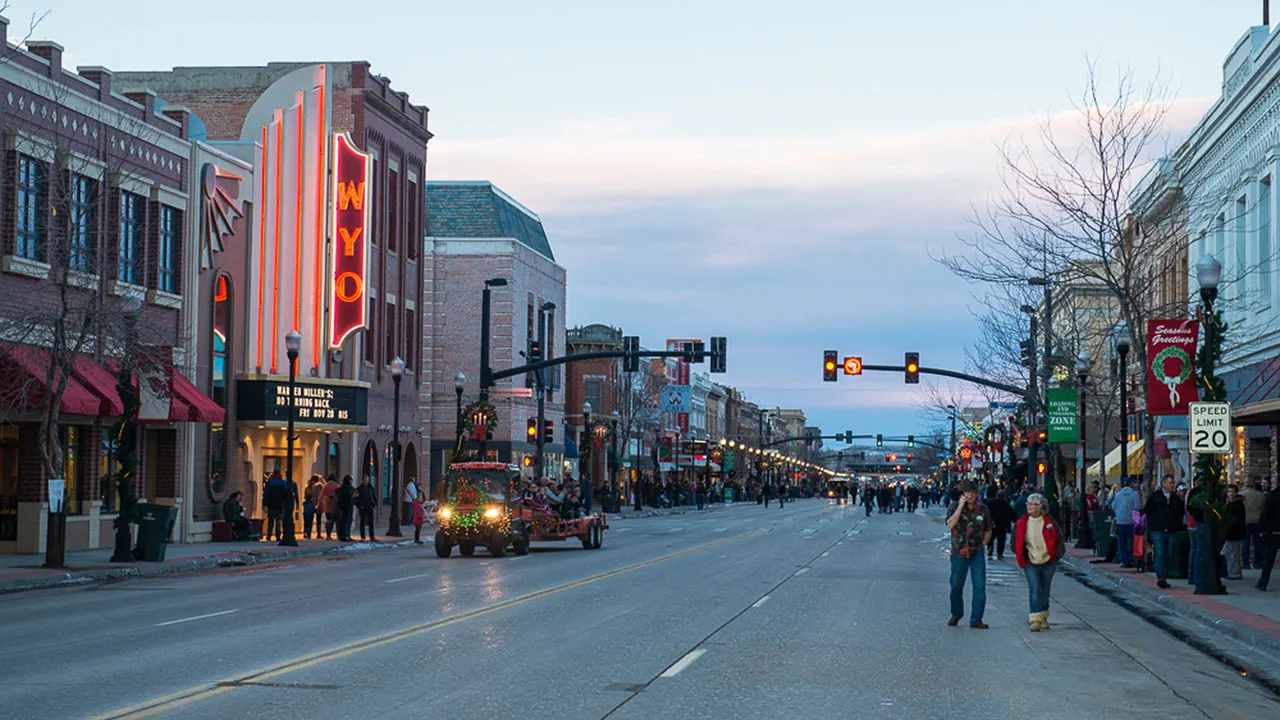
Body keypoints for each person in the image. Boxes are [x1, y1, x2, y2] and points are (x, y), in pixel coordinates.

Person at [1014, 493, 1065, 631]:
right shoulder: (1022, 523)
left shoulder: (1049, 523)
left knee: (1045, 589)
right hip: (1031, 561)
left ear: (1041, 507)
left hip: (1048, 561)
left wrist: (1056, 555)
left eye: (1034, 504)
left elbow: (1060, 539)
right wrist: (1022, 556)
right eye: (1029, 504)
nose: (1030, 506)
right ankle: (1035, 618)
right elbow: (1016, 542)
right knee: (1035, 588)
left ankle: (1043, 615)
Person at [946, 482, 992, 629]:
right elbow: (951, 524)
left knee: (979, 585)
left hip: (976, 552)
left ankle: (976, 619)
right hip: (959, 552)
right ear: (963, 494)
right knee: (956, 585)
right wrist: (960, 506)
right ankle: (956, 614)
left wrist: (984, 543)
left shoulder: (983, 509)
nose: (971, 495)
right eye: (968, 493)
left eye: (973, 492)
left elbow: (989, 528)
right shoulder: (953, 506)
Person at [1143, 474, 1186, 589]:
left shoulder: (1176, 499)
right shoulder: (1154, 497)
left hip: (1171, 530)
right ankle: (1160, 576)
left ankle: (1164, 574)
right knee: (1160, 552)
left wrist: (1177, 525)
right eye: (1170, 483)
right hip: (1157, 529)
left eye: (1173, 483)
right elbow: (1147, 512)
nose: (1172, 485)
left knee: (1169, 553)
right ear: (1163, 484)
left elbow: (1180, 513)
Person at [1110, 478, 1142, 569]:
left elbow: (1113, 506)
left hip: (1120, 521)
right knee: (1132, 542)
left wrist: (1118, 514)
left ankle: (1123, 560)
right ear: (1131, 484)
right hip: (1131, 521)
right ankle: (1133, 560)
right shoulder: (1134, 495)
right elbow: (1137, 508)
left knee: (1122, 542)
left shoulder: (1118, 494)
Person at [1257, 481, 1280, 591]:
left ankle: (1262, 583)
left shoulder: (1272, 495)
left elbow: (1265, 513)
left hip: (1274, 531)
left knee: (1268, 559)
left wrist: (1262, 529)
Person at [1222, 485, 1246, 580]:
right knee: (1230, 552)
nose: (1231, 494)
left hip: (1234, 532)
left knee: (1232, 553)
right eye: (1229, 492)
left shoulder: (1237, 505)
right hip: (1231, 532)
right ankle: (1233, 572)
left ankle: (1235, 573)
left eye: (1232, 492)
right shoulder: (1229, 504)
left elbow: (1238, 520)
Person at [1242, 479, 1266, 570]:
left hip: (1246, 520)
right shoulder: (1260, 495)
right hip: (1257, 520)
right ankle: (1257, 562)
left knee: (1245, 542)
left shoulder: (1241, 495)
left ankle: (1245, 562)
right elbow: (1264, 508)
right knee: (1257, 543)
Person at [986, 490, 1014, 561]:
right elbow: (1011, 515)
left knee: (991, 538)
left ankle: (990, 549)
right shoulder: (1006, 505)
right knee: (1001, 539)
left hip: (992, 524)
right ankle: (1000, 553)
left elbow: (986, 512)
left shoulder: (990, 503)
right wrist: (1009, 526)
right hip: (1002, 525)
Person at [262, 470, 287, 541]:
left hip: (271, 504)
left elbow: (266, 493)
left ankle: (269, 535)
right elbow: (285, 494)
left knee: (271, 520)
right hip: (280, 504)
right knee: (278, 520)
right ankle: (278, 535)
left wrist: (264, 503)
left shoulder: (269, 482)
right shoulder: (283, 482)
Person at [355, 476, 377, 541]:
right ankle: (362, 537)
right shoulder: (359, 488)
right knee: (362, 522)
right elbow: (356, 499)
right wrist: (359, 506)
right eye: (365, 480)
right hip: (362, 507)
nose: (366, 481)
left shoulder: (371, 488)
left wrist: (373, 504)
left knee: (371, 522)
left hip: (370, 506)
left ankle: (372, 536)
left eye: (367, 480)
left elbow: (374, 497)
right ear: (362, 480)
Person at [336, 475, 356, 542]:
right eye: (350, 480)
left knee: (347, 521)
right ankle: (344, 535)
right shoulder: (346, 488)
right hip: (346, 506)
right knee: (345, 521)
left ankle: (346, 535)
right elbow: (348, 497)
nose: (351, 482)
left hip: (346, 506)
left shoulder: (347, 488)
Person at [321, 475, 340, 540]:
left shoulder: (325, 486)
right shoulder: (337, 486)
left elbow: (321, 496)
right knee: (336, 521)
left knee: (329, 521)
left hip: (327, 505)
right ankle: (338, 535)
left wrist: (319, 503)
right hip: (335, 506)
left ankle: (328, 535)